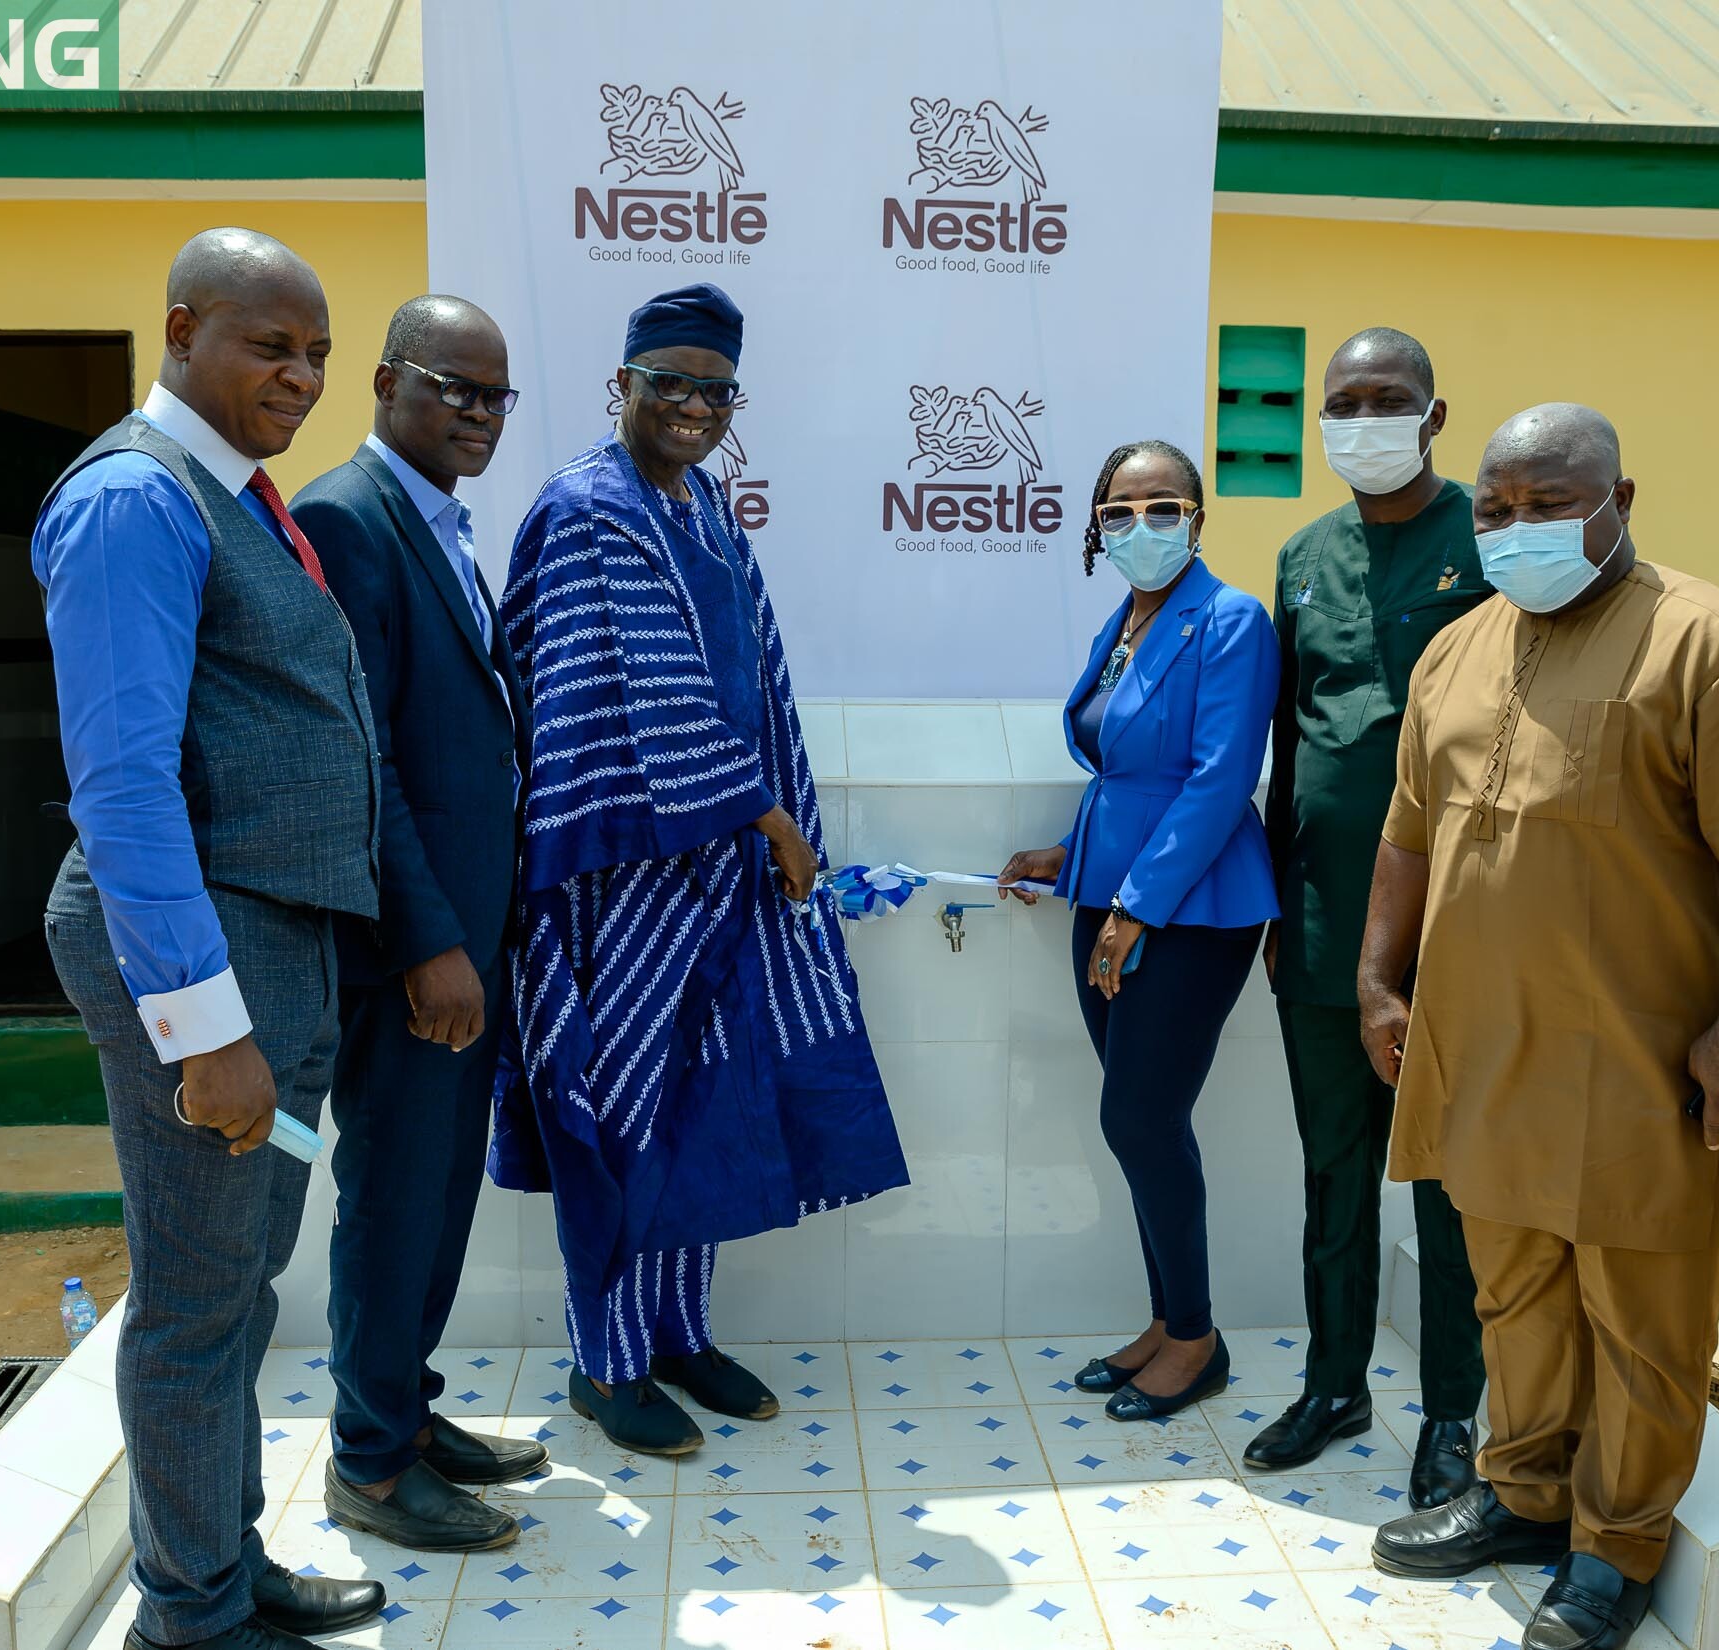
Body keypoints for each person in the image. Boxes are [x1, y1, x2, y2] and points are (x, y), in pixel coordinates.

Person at [1363, 404, 1719, 1650]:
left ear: (1618, 497)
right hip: (1486, 1049)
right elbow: (1408, 831)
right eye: (1493, 508)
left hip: (1643, 1057)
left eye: (1547, 501)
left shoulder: (1712, 646)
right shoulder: (1455, 650)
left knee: (1642, 1318)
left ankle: (1614, 1545)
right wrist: (1378, 980)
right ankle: (1520, 1493)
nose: (1516, 529)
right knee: (1512, 1291)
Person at [35, 229, 386, 1650]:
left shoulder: (235, 496)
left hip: (272, 947)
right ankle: (189, 1614)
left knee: (239, 1287)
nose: (300, 376)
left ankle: (220, 1561)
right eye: (268, 345)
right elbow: (121, 787)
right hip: (206, 967)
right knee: (193, 1302)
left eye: (314, 351)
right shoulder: (135, 498)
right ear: (182, 329)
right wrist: (208, 1026)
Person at [491, 283, 908, 1455]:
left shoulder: (706, 506)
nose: (689, 405)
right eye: (665, 381)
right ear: (618, 385)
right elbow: (642, 703)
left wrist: (779, 818)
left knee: (701, 1105)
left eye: (712, 388)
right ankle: (603, 1362)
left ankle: (676, 1334)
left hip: (712, 872)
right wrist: (773, 823)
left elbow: (758, 672)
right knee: (618, 1112)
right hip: (616, 875)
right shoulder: (588, 509)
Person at [289, 295, 544, 1554]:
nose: (481, 416)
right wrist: (426, 942)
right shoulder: (348, 516)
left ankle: (407, 1408)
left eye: (497, 397)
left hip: (469, 938)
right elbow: (363, 758)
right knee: (394, 1197)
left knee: (440, 1196)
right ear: (387, 382)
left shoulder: (437, 522)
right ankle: (370, 1468)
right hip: (415, 954)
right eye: (457, 390)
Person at [1248, 327, 1489, 1502]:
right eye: (1340, 403)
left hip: (1458, 928)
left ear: (1433, 417)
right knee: (1331, 1172)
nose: (1360, 419)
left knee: (1445, 1183)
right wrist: (1276, 910)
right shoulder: (1299, 556)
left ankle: (1452, 1409)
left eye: (1386, 399)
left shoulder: (1490, 543)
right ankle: (1333, 1381)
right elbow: (1290, 744)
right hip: (1321, 926)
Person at [996, 440, 1280, 1421]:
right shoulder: (1125, 620)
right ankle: (1165, 1323)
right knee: (1134, 1119)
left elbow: (1215, 780)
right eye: (1118, 510)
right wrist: (1066, 859)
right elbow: (1117, 769)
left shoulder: (1230, 620)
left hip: (1188, 906)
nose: (1138, 526)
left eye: (1162, 507)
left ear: (1197, 518)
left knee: (1140, 1118)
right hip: (1106, 893)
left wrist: (1133, 907)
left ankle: (1196, 1339)